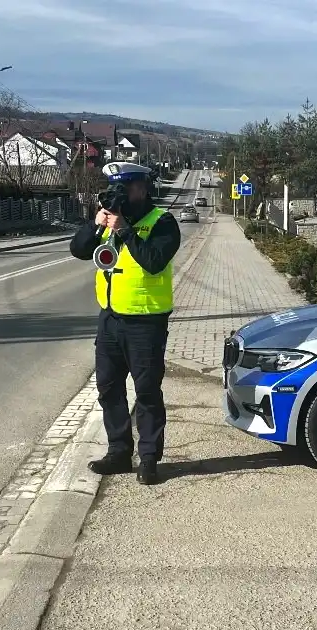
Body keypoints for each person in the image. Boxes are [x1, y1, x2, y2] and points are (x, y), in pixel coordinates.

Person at [69, 162, 181, 485]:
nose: (121, 194)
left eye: (126, 187)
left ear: (142, 188)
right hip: (110, 320)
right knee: (108, 388)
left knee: (146, 392)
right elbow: (78, 249)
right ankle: (119, 451)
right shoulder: (109, 219)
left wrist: (124, 230)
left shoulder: (162, 222)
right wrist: (96, 224)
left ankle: (148, 458)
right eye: (116, 187)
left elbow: (154, 261)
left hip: (146, 323)